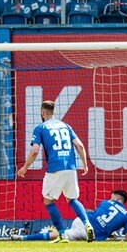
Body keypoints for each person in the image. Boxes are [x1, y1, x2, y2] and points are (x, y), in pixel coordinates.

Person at [17, 100, 94, 243]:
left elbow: (35, 150)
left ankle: (63, 235)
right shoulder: (66, 126)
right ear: (54, 112)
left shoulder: (40, 128)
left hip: (55, 169)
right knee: (72, 199)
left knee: (48, 201)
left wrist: (25, 167)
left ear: (42, 112)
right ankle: (87, 224)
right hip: (71, 168)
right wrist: (85, 164)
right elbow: (80, 145)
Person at [11, 190, 127, 242]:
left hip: (82, 221)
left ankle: (23, 237)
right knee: (66, 235)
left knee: (64, 233)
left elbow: (99, 214)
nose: (109, 198)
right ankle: (24, 237)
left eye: (112, 196)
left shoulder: (105, 202)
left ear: (116, 198)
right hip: (92, 234)